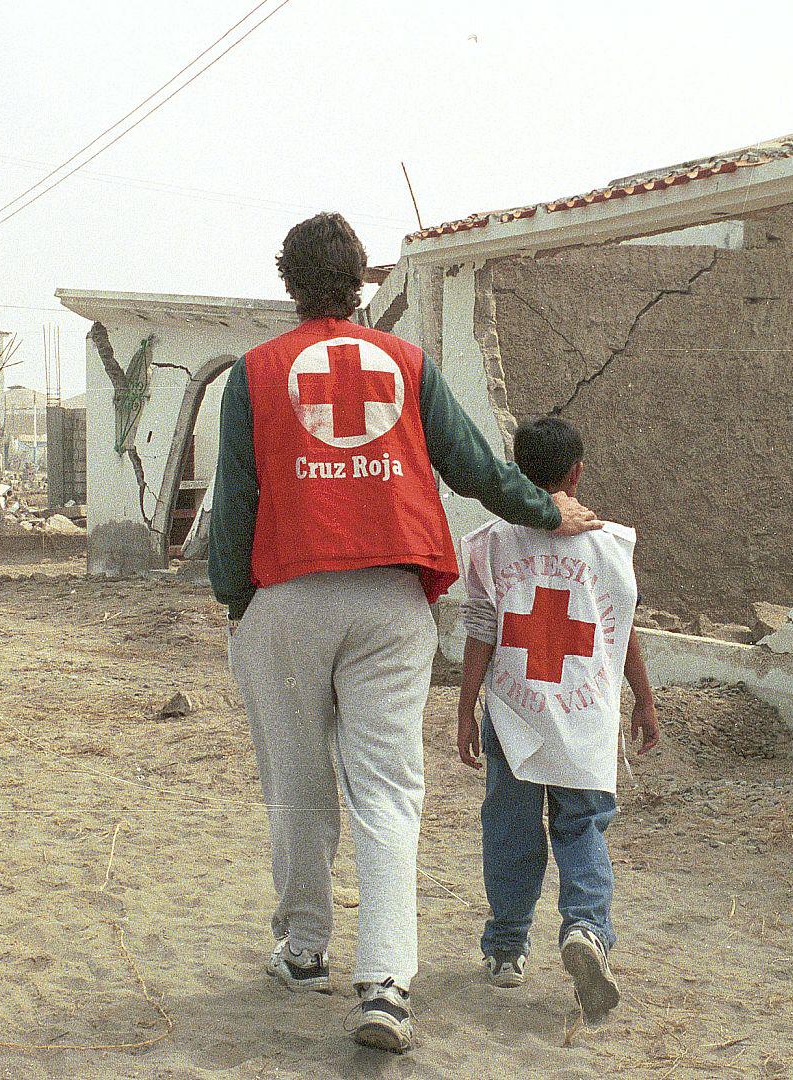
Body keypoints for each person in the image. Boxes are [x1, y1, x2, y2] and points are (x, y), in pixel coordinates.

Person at [209, 212, 601, 1053]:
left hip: (290, 596)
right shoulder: (409, 364)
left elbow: (236, 500)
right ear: (360, 281)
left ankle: (306, 948)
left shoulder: (254, 374)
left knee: (298, 782)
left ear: (289, 282)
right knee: (388, 790)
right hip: (392, 599)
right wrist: (549, 509)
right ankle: (386, 984)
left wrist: (236, 600)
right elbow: (476, 467)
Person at [455, 416, 660, 1021]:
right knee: (582, 829)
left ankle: (507, 948)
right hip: (587, 717)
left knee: (510, 830)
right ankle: (586, 930)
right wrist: (644, 701)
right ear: (576, 473)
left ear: (517, 472)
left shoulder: (491, 541)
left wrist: (465, 708)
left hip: (515, 715)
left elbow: (479, 632)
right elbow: (624, 633)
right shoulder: (610, 547)